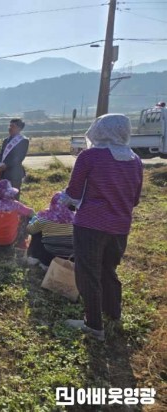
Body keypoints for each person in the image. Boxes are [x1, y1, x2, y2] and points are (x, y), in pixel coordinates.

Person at [62, 114, 143, 342]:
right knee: (109, 269)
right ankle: (113, 312)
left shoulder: (89, 157)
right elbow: (135, 199)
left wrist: (65, 200)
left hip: (91, 225)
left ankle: (93, 325)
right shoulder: (135, 160)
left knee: (88, 273)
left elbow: (74, 193)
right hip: (120, 226)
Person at [26, 192, 74, 270]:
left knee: (37, 231)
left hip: (48, 259)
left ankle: (34, 257)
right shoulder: (74, 218)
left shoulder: (45, 217)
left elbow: (30, 230)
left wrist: (33, 220)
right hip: (68, 258)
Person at [0, 179, 34, 247]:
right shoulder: (15, 205)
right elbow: (31, 212)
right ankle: (21, 243)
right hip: (7, 241)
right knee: (27, 217)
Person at [0, 119, 29, 198]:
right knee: (2, 196)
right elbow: (1, 153)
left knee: (13, 197)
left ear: (19, 128)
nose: (10, 128)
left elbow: (19, 157)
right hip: (3, 173)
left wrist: (6, 165)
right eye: (10, 126)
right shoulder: (6, 140)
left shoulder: (23, 141)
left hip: (14, 173)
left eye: (13, 126)